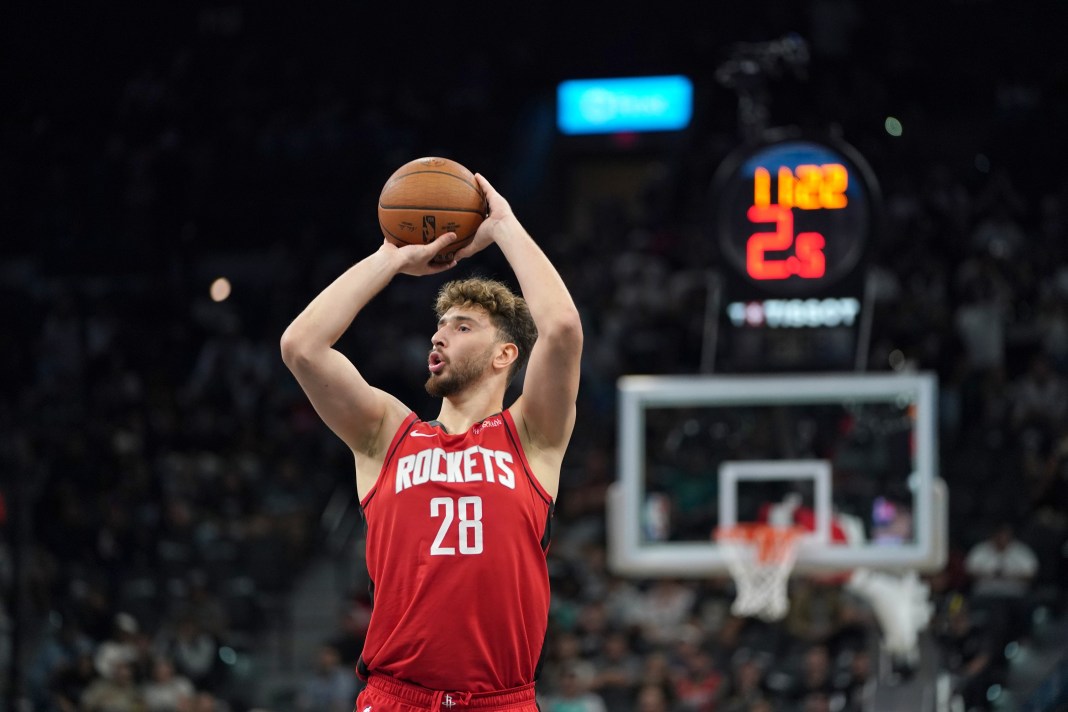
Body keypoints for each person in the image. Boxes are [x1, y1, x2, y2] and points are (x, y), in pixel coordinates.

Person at [281, 172, 583, 711]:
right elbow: (301, 346)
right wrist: (391, 257)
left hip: (500, 700)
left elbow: (561, 329)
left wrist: (505, 227)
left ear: (505, 355)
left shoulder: (531, 436)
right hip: (397, 696)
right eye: (440, 326)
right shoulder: (387, 434)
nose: (439, 334)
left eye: (463, 327)